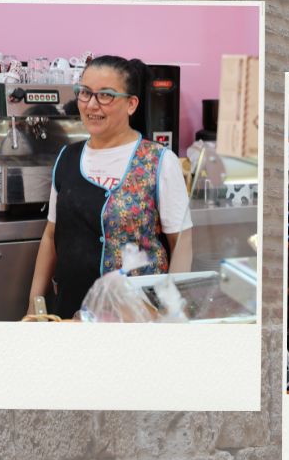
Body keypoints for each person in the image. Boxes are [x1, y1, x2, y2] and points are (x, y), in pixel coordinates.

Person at [27, 56, 193, 319]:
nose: (92, 104)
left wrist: (170, 312)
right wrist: (35, 304)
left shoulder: (160, 161)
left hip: (135, 317)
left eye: (105, 95)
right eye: (85, 93)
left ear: (131, 104)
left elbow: (181, 244)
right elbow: (51, 235)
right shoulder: (67, 157)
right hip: (71, 312)